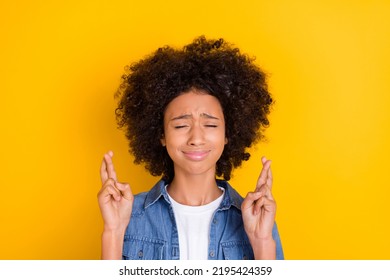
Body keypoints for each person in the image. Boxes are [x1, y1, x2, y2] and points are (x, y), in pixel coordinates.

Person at [98, 36, 284, 260]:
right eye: (181, 125)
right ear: (161, 135)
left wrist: (262, 241)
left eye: (211, 124)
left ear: (228, 134)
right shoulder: (128, 215)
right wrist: (113, 232)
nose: (196, 138)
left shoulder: (258, 218)